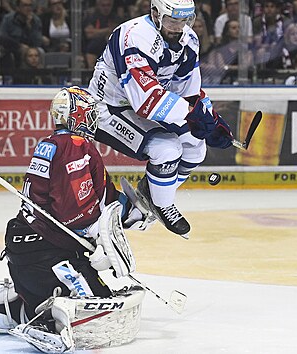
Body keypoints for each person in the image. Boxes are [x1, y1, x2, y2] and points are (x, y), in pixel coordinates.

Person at [0, 87, 146, 352]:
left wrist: (130, 213)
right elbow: (73, 212)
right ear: (75, 115)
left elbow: (100, 199)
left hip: (29, 250)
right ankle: (46, 320)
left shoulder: (56, 144)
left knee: (41, 299)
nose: (92, 120)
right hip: (48, 254)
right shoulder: (74, 146)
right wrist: (98, 237)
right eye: (88, 113)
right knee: (99, 307)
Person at [86, 0, 234, 237]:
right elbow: (145, 100)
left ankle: (152, 193)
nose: (179, 26)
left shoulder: (189, 40)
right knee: (167, 149)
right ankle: (163, 204)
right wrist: (193, 115)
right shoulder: (135, 37)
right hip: (108, 108)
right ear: (155, 13)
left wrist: (209, 118)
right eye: (173, 19)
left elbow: (188, 92)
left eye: (185, 20)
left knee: (196, 146)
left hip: (145, 106)